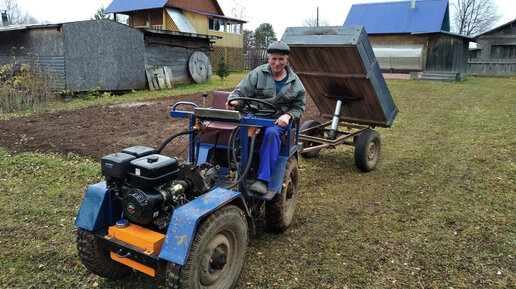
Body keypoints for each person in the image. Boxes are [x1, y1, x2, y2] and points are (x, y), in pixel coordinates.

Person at [225, 41, 306, 194]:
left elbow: (299, 106)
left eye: (281, 59)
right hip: (255, 117)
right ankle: (239, 169)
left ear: (287, 60)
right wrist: (235, 101)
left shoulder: (295, 83)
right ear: (268, 58)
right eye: (274, 59)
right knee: (240, 133)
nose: (277, 63)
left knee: (271, 134)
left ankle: (263, 180)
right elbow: (238, 93)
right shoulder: (257, 74)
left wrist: (288, 115)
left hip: (276, 122)